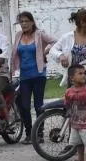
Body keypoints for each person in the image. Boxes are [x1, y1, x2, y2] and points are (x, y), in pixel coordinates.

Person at [10, 11, 57, 143]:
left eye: (26, 21)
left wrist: (46, 51)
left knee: (38, 105)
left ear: (32, 22)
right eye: (21, 22)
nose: (24, 24)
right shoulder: (18, 35)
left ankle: (39, 134)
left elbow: (55, 41)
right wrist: (13, 71)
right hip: (23, 76)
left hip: (38, 74)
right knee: (24, 105)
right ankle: (29, 133)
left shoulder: (39, 34)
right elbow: (14, 54)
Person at [49, 9, 86, 87]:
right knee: (74, 98)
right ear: (83, 23)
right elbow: (53, 50)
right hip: (75, 80)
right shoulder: (67, 37)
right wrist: (61, 56)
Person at [64, 65, 86, 161]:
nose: (84, 76)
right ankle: (80, 159)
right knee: (78, 143)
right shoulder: (68, 92)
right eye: (80, 73)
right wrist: (69, 114)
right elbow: (67, 104)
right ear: (72, 78)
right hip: (75, 122)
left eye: (84, 73)